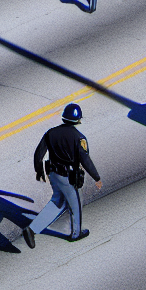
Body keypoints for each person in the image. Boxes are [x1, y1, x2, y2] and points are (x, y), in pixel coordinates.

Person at [21, 103, 101, 249]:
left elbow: (38, 153)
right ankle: (76, 233)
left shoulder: (51, 133)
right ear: (78, 120)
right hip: (68, 177)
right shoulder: (79, 138)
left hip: (53, 174)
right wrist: (96, 177)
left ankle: (32, 229)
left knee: (58, 202)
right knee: (75, 204)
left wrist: (39, 170)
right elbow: (85, 159)